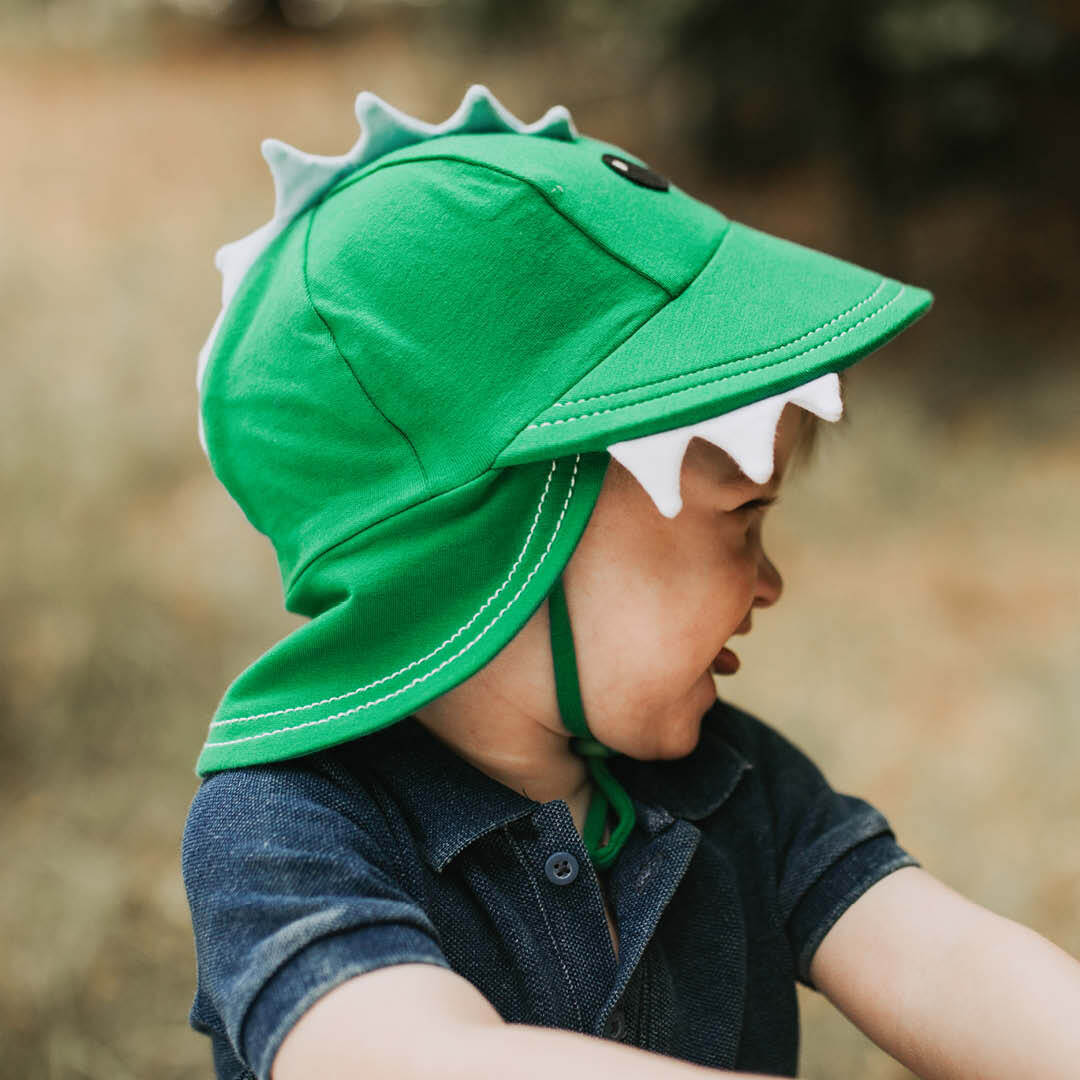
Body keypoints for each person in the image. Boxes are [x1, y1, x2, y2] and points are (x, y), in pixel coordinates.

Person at [181, 84, 1080, 1080]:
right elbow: (403, 1054)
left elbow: (943, 961)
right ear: (513, 536)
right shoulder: (290, 830)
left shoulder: (733, 785)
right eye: (742, 514)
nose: (772, 583)